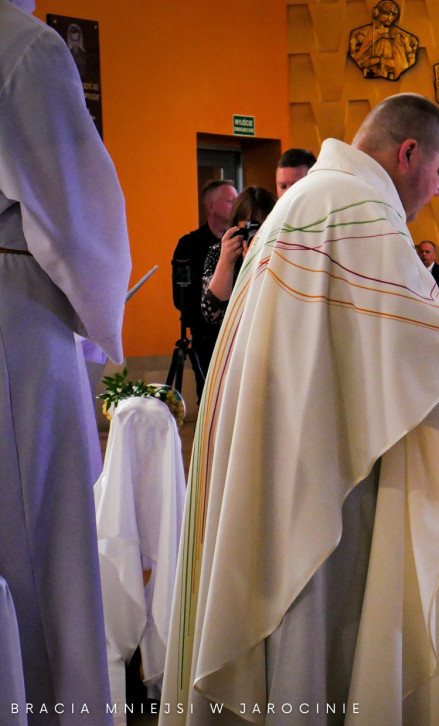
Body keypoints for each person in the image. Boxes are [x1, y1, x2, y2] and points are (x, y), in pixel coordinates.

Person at [160, 93, 439, 724]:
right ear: (408, 151)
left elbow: (367, 346)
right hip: (323, 475)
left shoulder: (307, 202)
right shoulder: (358, 208)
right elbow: (408, 344)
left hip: (286, 452)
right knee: (317, 635)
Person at [1, 0, 132, 719]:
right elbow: (79, 219)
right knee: (40, 541)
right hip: (16, 313)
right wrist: (100, 317)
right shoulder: (26, 48)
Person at [173, 179, 237, 381]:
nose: (236, 205)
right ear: (211, 207)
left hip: (238, 334)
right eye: (230, 201)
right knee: (207, 392)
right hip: (205, 337)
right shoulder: (189, 244)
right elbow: (180, 299)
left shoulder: (241, 240)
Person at [200, 185, 276, 327]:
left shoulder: (281, 251)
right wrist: (226, 262)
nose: (257, 234)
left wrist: (259, 266)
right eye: (251, 226)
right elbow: (213, 313)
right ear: (236, 226)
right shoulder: (221, 252)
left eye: (263, 226)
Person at [347, 0, 418, 80]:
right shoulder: (360, 33)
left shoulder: (401, 36)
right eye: (386, 14)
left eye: (393, 15)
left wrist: (378, 60)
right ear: (377, 13)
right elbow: (358, 59)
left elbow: (402, 64)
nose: (390, 18)